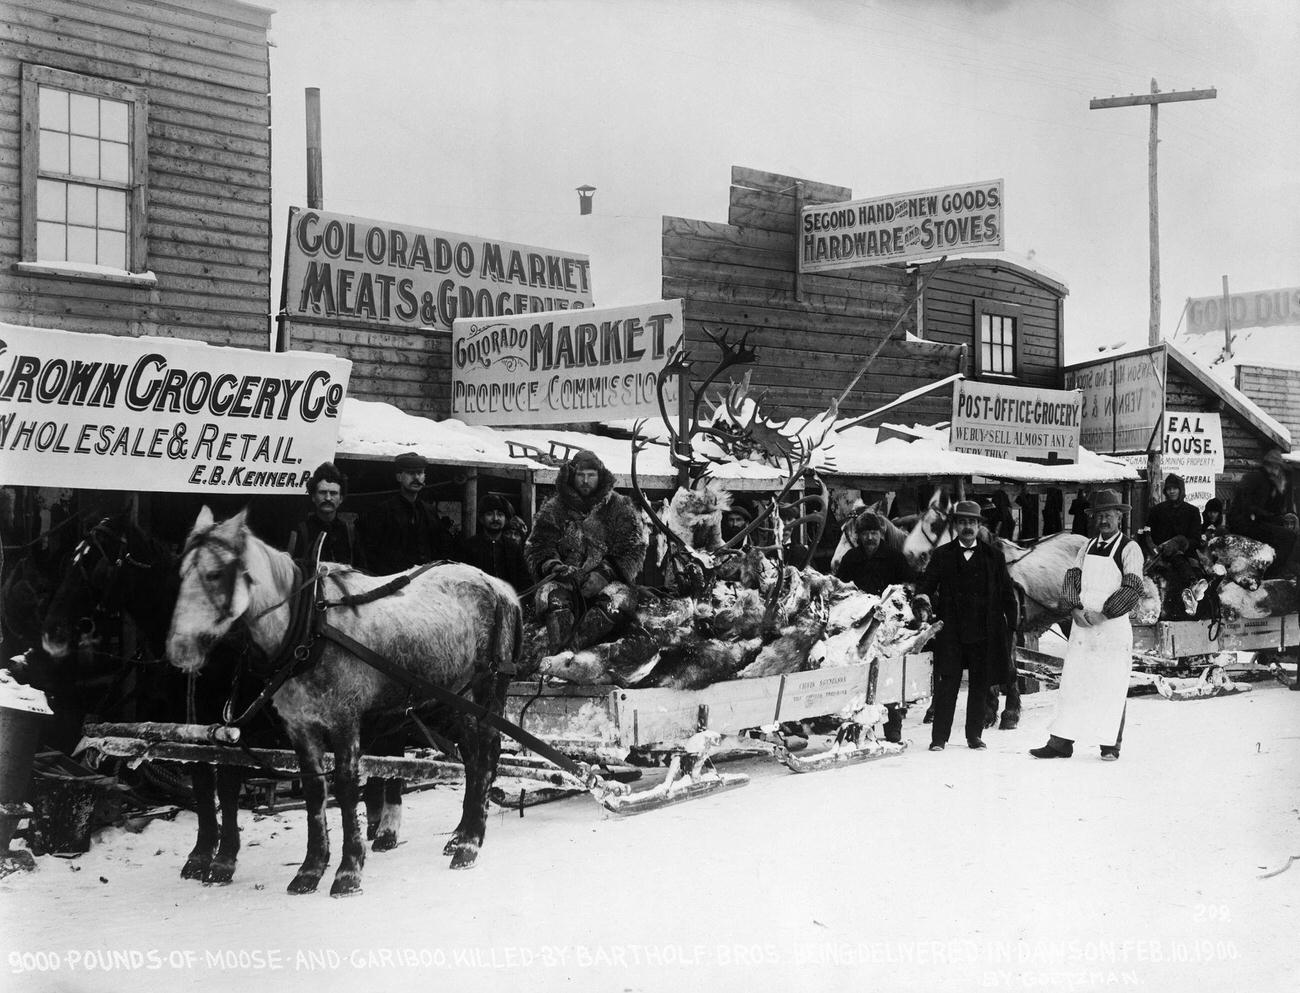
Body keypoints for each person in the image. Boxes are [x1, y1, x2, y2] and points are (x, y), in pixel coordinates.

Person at [1031, 489, 1144, 761]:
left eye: (1109, 515)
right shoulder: (1087, 546)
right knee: (1074, 682)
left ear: (1119, 517)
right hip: (1083, 627)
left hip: (1112, 628)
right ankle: (1061, 742)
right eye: (1099, 515)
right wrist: (1074, 607)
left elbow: (1133, 587)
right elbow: (1072, 578)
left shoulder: (1129, 548)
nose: (1104, 520)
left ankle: (1110, 745)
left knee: (1111, 684)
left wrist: (1105, 613)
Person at [912, 500, 1018, 752]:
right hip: (951, 633)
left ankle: (974, 735)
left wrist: (1010, 628)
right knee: (948, 684)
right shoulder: (942, 555)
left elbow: (1006, 595)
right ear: (956, 526)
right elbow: (926, 586)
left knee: (980, 685)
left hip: (985, 632)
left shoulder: (994, 556)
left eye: (972, 522)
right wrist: (923, 600)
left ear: (979, 525)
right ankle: (939, 738)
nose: (968, 527)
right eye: (962, 522)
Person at [525, 449, 648, 653]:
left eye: (591, 475)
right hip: (566, 581)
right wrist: (552, 564)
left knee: (618, 601)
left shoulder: (620, 507)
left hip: (608, 583)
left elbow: (631, 548)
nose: (585, 481)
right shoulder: (553, 508)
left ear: (600, 477)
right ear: (571, 477)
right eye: (580, 475)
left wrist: (604, 573)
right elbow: (539, 544)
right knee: (548, 596)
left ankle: (577, 649)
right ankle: (560, 653)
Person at [362, 452, 456, 576]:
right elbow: (372, 552)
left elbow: (440, 548)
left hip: (425, 580)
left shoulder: (429, 511)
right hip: (393, 581)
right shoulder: (384, 511)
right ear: (399, 477)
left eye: (420, 473)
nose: (416, 478)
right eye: (411, 473)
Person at [1227, 448, 1297, 577]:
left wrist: (1280, 494)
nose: (1276, 470)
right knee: (1288, 537)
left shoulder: (1271, 482)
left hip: (1256, 521)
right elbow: (1247, 505)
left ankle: (1275, 570)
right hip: (1244, 523)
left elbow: (1273, 509)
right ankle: (1273, 573)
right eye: (1274, 466)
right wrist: (1270, 517)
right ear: (1268, 465)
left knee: (1286, 534)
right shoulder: (1255, 479)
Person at [287, 462, 366, 568]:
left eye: (333, 493)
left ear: (341, 499)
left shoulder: (349, 532)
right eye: (322, 492)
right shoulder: (301, 531)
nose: (328, 498)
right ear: (313, 497)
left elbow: (361, 570)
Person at [458, 494, 528, 593]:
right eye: (490, 514)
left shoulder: (513, 548)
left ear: (506, 519)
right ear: (481, 518)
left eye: (500, 514)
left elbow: (524, 581)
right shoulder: (468, 547)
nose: (495, 518)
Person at [834, 511, 910, 596]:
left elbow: (909, 584)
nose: (869, 538)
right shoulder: (851, 557)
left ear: (880, 533)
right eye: (865, 534)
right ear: (859, 536)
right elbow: (839, 586)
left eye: (873, 533)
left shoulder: (896, 557)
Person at [1144, 473, 1201, 550]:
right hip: (1161, 555)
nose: (1171, 491)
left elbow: (1196, 540)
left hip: (1185, 555)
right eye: (1168, 489)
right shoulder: (1157, 510)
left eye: (1175, 488)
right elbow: (1148, 535)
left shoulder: (1192, 511)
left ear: (1181, 490)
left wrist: (1181, 544)